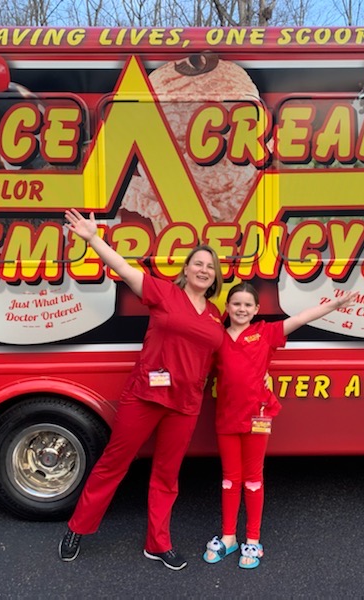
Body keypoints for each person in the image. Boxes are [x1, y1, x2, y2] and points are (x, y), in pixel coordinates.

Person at [58, 208, 225, 570]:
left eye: (210, 267)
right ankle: (77, 528)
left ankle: (158, 544)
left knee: (167, 475)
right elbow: (123, 267)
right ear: (186, 269)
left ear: (215, 276)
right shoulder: (164, 293)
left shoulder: (216, 315)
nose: (203, 270)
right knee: (113, 464)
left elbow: (225, 356)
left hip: (185, 404)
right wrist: (93, 239)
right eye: (198, 263)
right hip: (145, 397)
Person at [202, 281, 354, 569]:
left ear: (256, 309)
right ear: (228, 307)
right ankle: (229, 537)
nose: (242, 309)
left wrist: (334, 305)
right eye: (236, 304)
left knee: (253, 479)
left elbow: (301, 318)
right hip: (226, 419)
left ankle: (253, 539)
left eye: (248, 305)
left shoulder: (265, 332)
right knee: (229, 480)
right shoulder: (217, 338)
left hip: (257, 417)